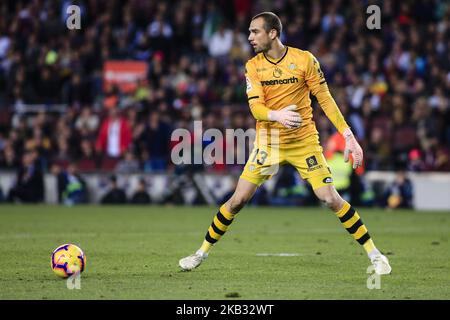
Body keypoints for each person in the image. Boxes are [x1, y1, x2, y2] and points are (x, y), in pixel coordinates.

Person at [179, 12, 391, 275]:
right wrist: (276, 115)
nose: (250, 37)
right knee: (236, 201)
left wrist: (348, 135)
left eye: (255, 31)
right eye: (249, 32)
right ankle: (200, 253)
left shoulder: (304, 60)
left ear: (272, 33)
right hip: (268, 142)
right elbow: (255, 106)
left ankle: (376, 255)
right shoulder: (253, 66)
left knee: (329, 198)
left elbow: (325, 99)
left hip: (303, 142)